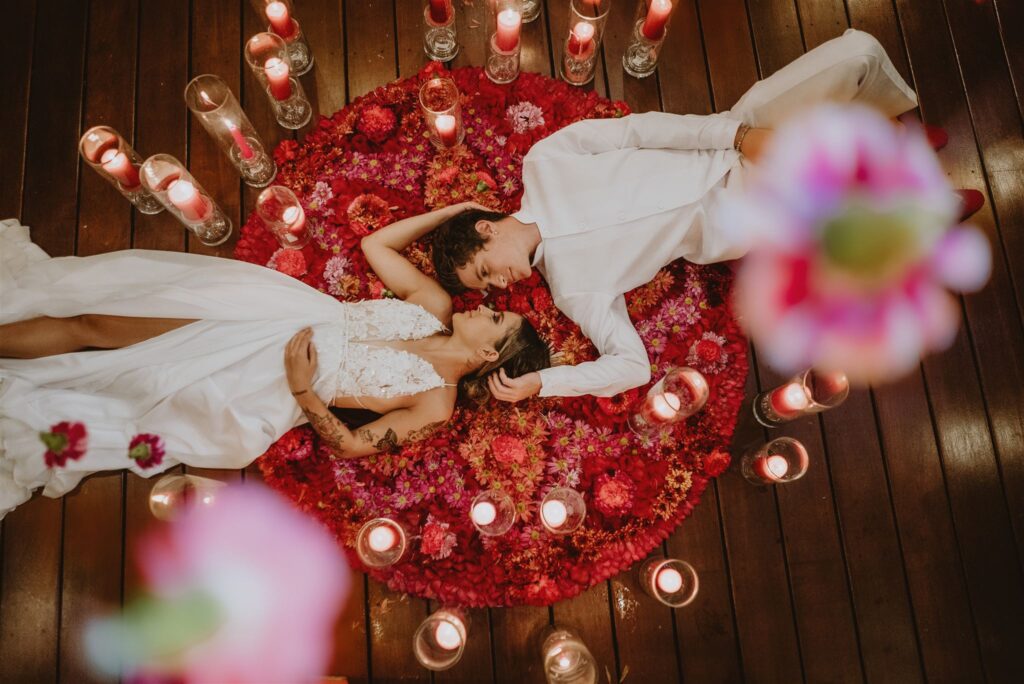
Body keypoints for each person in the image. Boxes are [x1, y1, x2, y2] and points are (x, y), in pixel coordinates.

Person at [430, 29, 979, 402]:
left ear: (485, 226)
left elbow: (637, 131)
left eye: (485, 271)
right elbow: (631, 366)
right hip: (748, 211)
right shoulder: (574, 291)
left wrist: (738, 134)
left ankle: (889, 135)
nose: (499, 285)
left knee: (856, 52)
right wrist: (543, 384)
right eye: (489, 289)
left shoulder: (544, 163)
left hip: (730, 140)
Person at [0, 203, 550, 518]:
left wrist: (304, 389)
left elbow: (356, 444)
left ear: (485, 354)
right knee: (97, 321)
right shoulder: (435, 304)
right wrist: (459, 211)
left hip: (269, 381)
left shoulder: (437, 404)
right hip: (273, 313)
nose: (488, 307)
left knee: (131, 380)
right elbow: (376, 247)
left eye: (497, 321)